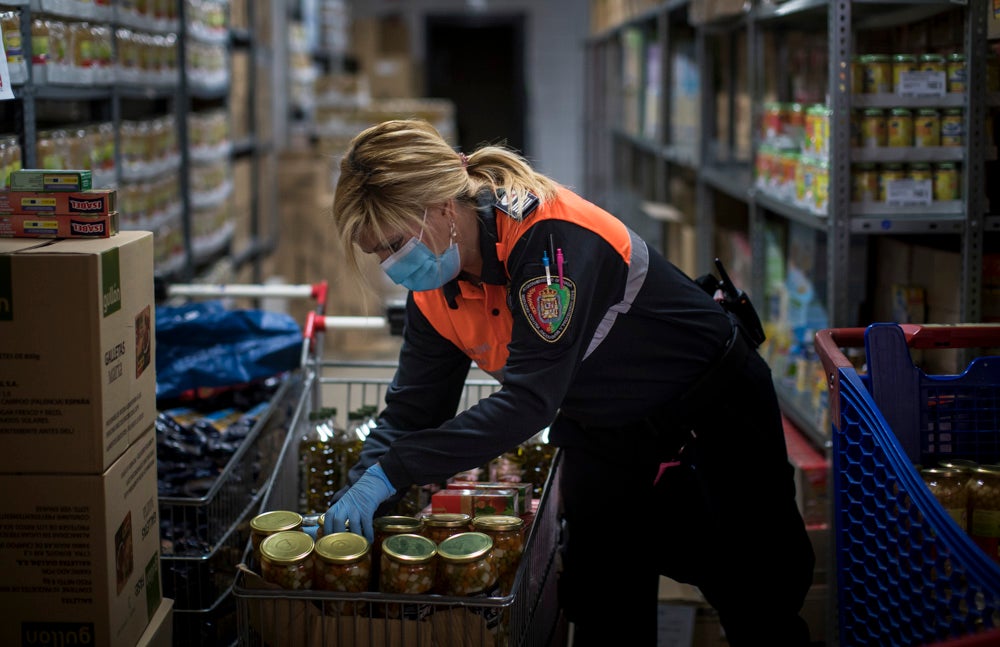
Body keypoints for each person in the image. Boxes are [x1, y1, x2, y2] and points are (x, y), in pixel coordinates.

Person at [323, 118, 815, 646]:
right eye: (379, 254)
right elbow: (411, 413)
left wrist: (395, 469)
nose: (393, 266)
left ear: (443, 207)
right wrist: (355, 491)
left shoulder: (547, 241)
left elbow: (529, 403)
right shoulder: (434, 293)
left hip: (711, 408)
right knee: (601, 599)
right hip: (606, 424)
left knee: (752, 591)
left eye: (395, 244)